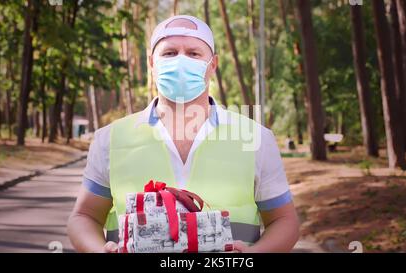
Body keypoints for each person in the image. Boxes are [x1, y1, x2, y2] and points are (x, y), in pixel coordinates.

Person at [67, 15, 299, 253]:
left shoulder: (256, 138)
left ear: (213, 65)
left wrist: (253, 254)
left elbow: (284, 221)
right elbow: (85, 216)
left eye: (193, 53)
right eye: (169, 53)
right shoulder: (110, 139)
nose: (180, 61)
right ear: (151, 63)